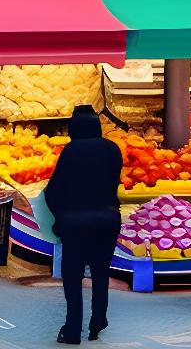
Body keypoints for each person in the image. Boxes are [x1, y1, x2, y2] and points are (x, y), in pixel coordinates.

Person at [45, 106, 123, 344]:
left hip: (75, 224)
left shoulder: (71, 151)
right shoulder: (112, 149)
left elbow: (55, 190)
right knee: (100, 274)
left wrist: (58, 215)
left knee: (73, 277)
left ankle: (72, 329)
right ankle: (98, 321)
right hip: (107, 221)